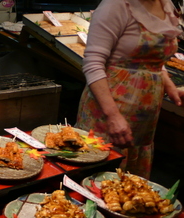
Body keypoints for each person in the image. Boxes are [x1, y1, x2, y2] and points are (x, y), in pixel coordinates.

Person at [76, 0, 184, 178]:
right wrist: (113, 116)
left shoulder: (165, 4)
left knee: (129, 187)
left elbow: (152, 58)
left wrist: (170, 87)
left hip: (145, 117)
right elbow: (93, 63)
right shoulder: (116, 5)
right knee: (100, 176)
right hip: (110, 109)